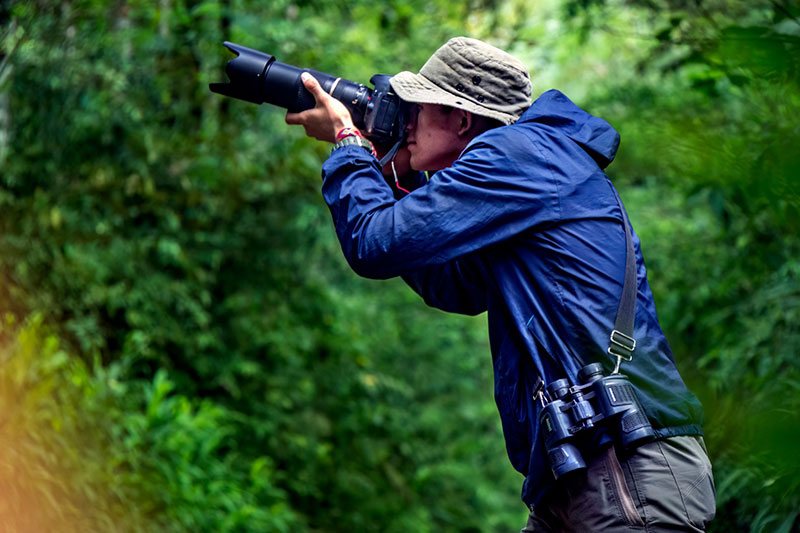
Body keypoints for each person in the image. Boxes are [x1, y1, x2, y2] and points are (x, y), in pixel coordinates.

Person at [285, 37, 716, 532]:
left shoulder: (517, 155)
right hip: (581, 469)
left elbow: (375, 243)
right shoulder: (527, 168)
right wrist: (391, 175)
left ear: (461, 119)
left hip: (626, 464)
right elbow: (453, 285)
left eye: (418, 109)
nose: (407, 124)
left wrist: (349, 143)